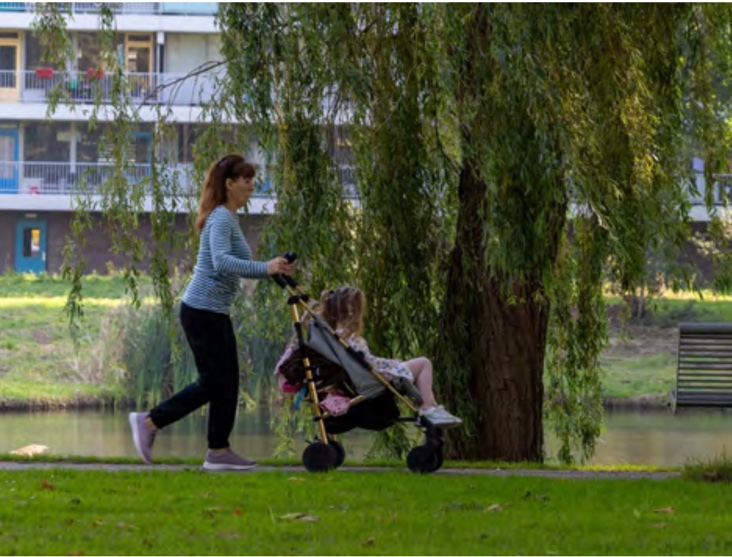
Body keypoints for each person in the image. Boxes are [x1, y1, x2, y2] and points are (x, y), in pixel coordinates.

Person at [129, 154, 294, 471]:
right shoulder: (221, 218)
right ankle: (149, 422)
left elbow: (234, 265)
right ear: (230, 184)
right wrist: (264, 266)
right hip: (202, 312)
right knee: (213, 382)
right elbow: (221, 262)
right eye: (246, 180)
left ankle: (218, 451)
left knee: (227, 382)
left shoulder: (228, 218)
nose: (251, 185)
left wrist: (274, 269)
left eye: (251, 179)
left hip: (213, 312)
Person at [278, 285, 461, 427]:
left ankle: (432, 409)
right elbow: (366, 361)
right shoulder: (348, 337)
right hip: (374, 377)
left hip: (369, 375)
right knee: (424, 363)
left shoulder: (331, 335)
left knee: (414, 365)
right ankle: (429, 409)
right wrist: (392, 364)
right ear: (354, 312)